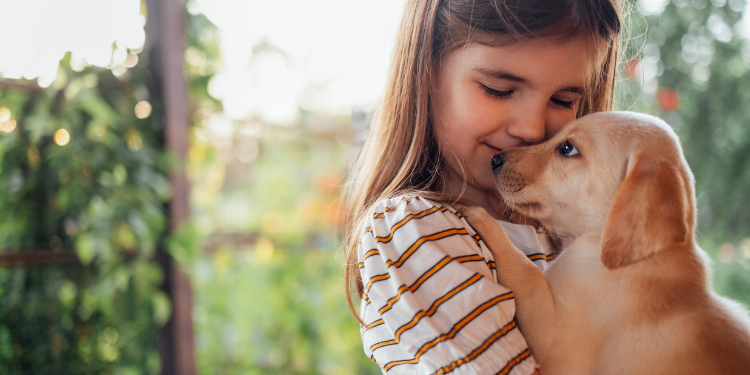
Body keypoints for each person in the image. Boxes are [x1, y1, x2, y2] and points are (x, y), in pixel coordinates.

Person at [343, 0, 624, 373]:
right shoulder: (412, 231)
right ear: (426, 68)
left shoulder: (566, 234)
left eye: (563, 100)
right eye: (498, 89)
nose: (532, 129)